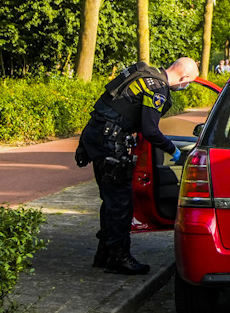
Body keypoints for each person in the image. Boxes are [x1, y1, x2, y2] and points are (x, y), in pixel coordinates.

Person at [74, 55, 199, 275]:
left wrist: (84, 145)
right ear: (185, 77)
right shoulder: (158, 89)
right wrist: (174, 150)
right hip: (111, 143)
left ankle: (104, 254)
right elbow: (150, 130)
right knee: (121, 202)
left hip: (96, 137)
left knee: (110, 199)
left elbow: (103, 106)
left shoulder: (139, 74)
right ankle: (119, 258)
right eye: (188, 83)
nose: (186, 86)